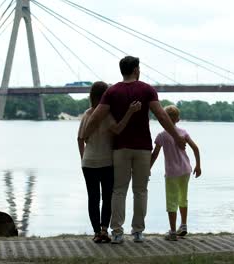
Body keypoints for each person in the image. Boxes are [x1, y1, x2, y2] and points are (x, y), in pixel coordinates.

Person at [83, 56, 186, 244]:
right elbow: (162, 116)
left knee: (119, 190)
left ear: (122, 70)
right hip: (143, 149)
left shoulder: (112, 91)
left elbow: (95, 117)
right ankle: (138, 231)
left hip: (120, 148)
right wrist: (177, 137)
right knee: (140, 191)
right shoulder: (147, 89)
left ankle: (117, 232)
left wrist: (85, 136)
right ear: (136, 70)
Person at [78, 81, 141, 243]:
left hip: (88, 163)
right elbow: (119, 129)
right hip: (107, 163)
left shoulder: (86, 114)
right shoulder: (107, 115)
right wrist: (130, 112)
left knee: (93, 198)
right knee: (107, 198)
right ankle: (105, 230)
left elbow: (80, 138)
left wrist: (82, 157)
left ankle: (97, 232)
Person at [150, 105, 202, 241]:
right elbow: (195, 148)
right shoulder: (183, 132)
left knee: (171, 201)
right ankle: (183, 226)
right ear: (178, 119)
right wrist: (198, 165)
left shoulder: (162, 135)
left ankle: (173, 232)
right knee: (182, 198)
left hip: (172, 173)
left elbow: (155, 154)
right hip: (186, 170)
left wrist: (148, 167)